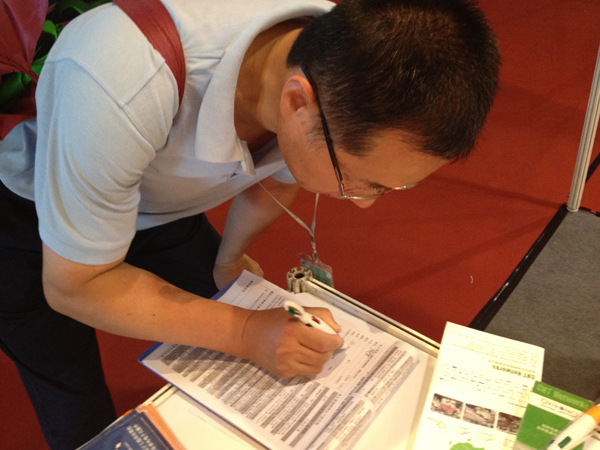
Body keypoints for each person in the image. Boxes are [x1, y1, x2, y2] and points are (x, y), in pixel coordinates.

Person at [0, 0, 500, 447]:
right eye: (357, 179)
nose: (365, 204)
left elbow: (278, 173)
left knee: (238, 326)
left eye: (393, 187)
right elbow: (75, 286)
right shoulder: (121, 77)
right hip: (29, 209)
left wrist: (230, 257)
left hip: (164, 199)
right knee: (68, 384)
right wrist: (242, 331)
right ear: (296, 103)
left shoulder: (333, 58)